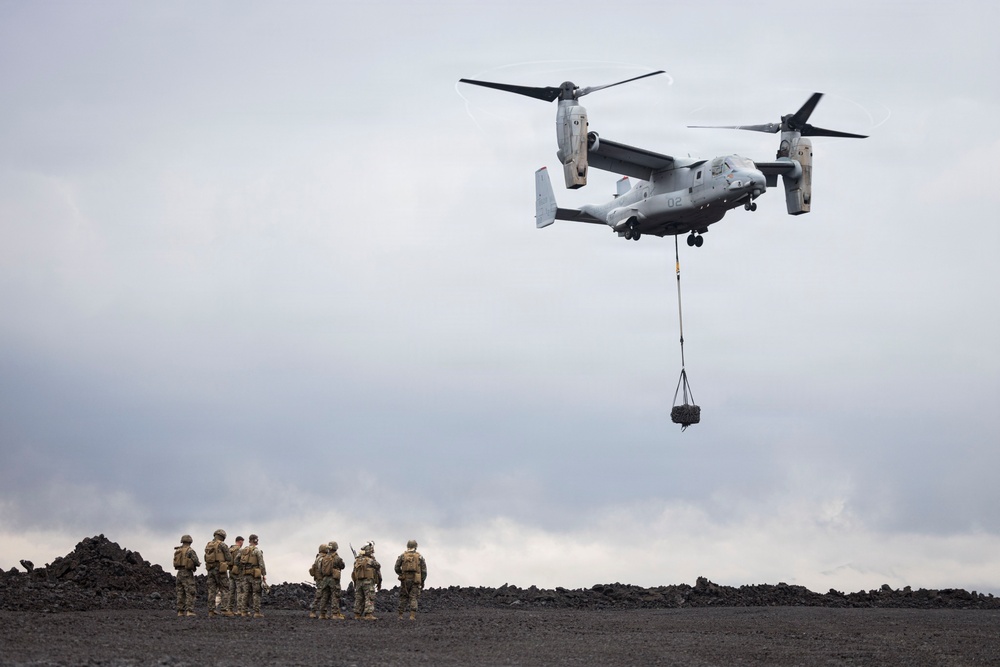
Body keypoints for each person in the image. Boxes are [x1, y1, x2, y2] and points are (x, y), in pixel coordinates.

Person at [394, 539, 427, 620]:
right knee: (413, 597)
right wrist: (422, 580)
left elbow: (396, 568)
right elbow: (424, 570)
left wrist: (401, 574)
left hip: (405, 579)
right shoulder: (419, 556)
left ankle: (400, 615)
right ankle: (412, 616)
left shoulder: (402, 556)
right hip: (416, 580)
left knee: (403, 597)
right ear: (415, 546)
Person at [236, 534, 267, 618]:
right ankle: (256, 612)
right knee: (256, 593)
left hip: (245, 575)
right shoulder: (257, 551)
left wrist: (242, 568)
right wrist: (263, 574)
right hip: (255, 575)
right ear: (256, 541)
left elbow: (236, 560)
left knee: (245, 593)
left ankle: (244, 611)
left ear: (249, 541)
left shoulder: (243, 550)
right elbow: (261, 563)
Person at [204, 529, 232, 617]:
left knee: (212, 590)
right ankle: (224, 609)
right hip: (220, 570)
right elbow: (229, 557)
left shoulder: (208, 545)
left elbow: (205, 557)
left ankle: (211, 610)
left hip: (210, 569)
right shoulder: (222, 545)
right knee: (225, 588)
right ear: (223, 537)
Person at [351, 541, 381, 620]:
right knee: (369, 597)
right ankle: (368, 614)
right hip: (368, 581)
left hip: (358, 582)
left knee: (359, 598)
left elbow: (353, 573)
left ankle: (357, 614)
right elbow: (378, 566)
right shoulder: (370, 560)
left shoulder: (357, 561)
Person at [316, 541, 347, 619]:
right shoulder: (337, 558)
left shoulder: (324, 557)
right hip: (333, 579)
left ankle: (322, 614)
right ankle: (335, 614)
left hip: (325, 579)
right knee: (335, 596)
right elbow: (342, 566)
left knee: (324, 596)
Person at [172, 534, 200, 617]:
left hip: (179, 573)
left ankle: (180, 611)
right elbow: (196, 562)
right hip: (187, 573)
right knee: (190, 591)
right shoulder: (190, 550)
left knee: (180, 592)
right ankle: (189, 611)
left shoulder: (178, 550)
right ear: (190, 541)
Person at [226, 535, 244, 615]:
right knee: (239, 591)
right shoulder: (239, 550)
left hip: (230, 571)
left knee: (231, 591)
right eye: (242, 542)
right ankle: (239, 609)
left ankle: (229, 609)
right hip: (238, 572)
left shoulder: (230, 549)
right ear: (240, 541)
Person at [308, 543, 327, 618]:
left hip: (320, 579)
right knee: (319, 596)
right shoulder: (321, 558)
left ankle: (322, 612)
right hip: (321, 579)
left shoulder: (318, 557)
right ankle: (313, 611)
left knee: (323, 596)